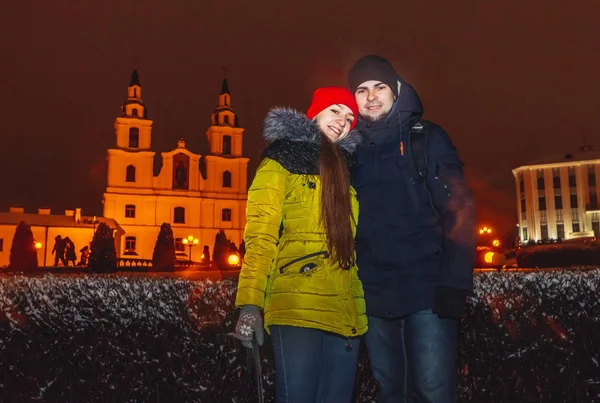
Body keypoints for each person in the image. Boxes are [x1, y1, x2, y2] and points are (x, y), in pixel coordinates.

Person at [347, 55, 477, 402]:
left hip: (427, 293)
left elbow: (460, 210)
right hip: (374, 297)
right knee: (391, 392)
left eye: (380, 86)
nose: (371, 96)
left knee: (434, 391)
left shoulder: (427, 138)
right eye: (362, 89)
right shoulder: (348, 152)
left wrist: (454, 281)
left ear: (397, 90)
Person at [233, 87, 367, 403]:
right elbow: (260, 236)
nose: (343, 121)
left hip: (345, 309)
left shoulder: (348, 169)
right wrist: (250, 303)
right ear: (315, 112)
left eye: (350, 117)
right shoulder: (280, 161)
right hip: (296, 305)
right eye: (335, 110)